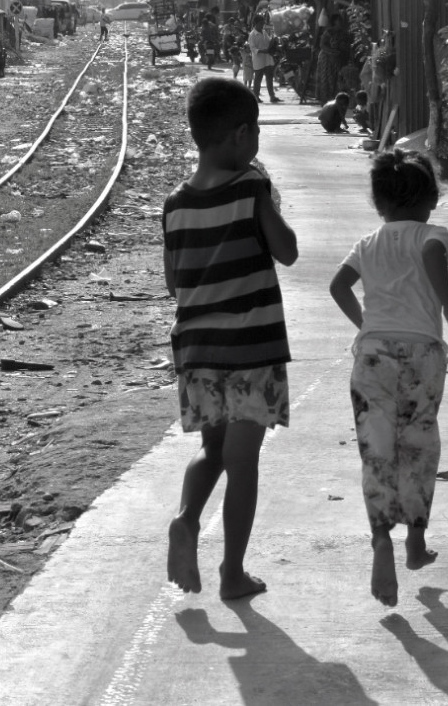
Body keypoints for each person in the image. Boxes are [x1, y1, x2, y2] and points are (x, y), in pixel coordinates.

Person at [163, 77, 299, 599]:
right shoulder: (250, 189)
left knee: (213, 451)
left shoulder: (175, 203)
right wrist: (267, 196)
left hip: (196, 350)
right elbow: (285, 251)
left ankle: (185, 518)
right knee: (244, 464)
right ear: (241, 134)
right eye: (258, 129)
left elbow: (174, 280)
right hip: (251, 348)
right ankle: (232, 572)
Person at [327, 150, 448, 608]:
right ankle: (415, 541)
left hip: (372, 357)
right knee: (419, 443)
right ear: (429, 200)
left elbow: (337, 286)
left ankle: (381, 540)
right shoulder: (433, 234)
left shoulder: (367, 243)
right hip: (423, 355)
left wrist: (365, 325)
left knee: (377, 449)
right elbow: (430, 254)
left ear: (379, 203)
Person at [248, 15, 280, 102]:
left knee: (269, 78)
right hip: (259, 60)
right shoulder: (252, 35)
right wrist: (263, 51)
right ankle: (256, 96)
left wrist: (274, 42)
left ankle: (272, 96)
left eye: (263, 23)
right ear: (256, 24)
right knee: (258, 79)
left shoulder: (264, 32)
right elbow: (253, 48)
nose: (262, 25)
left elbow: (269, 42)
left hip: (267, 59)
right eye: (260, 23)